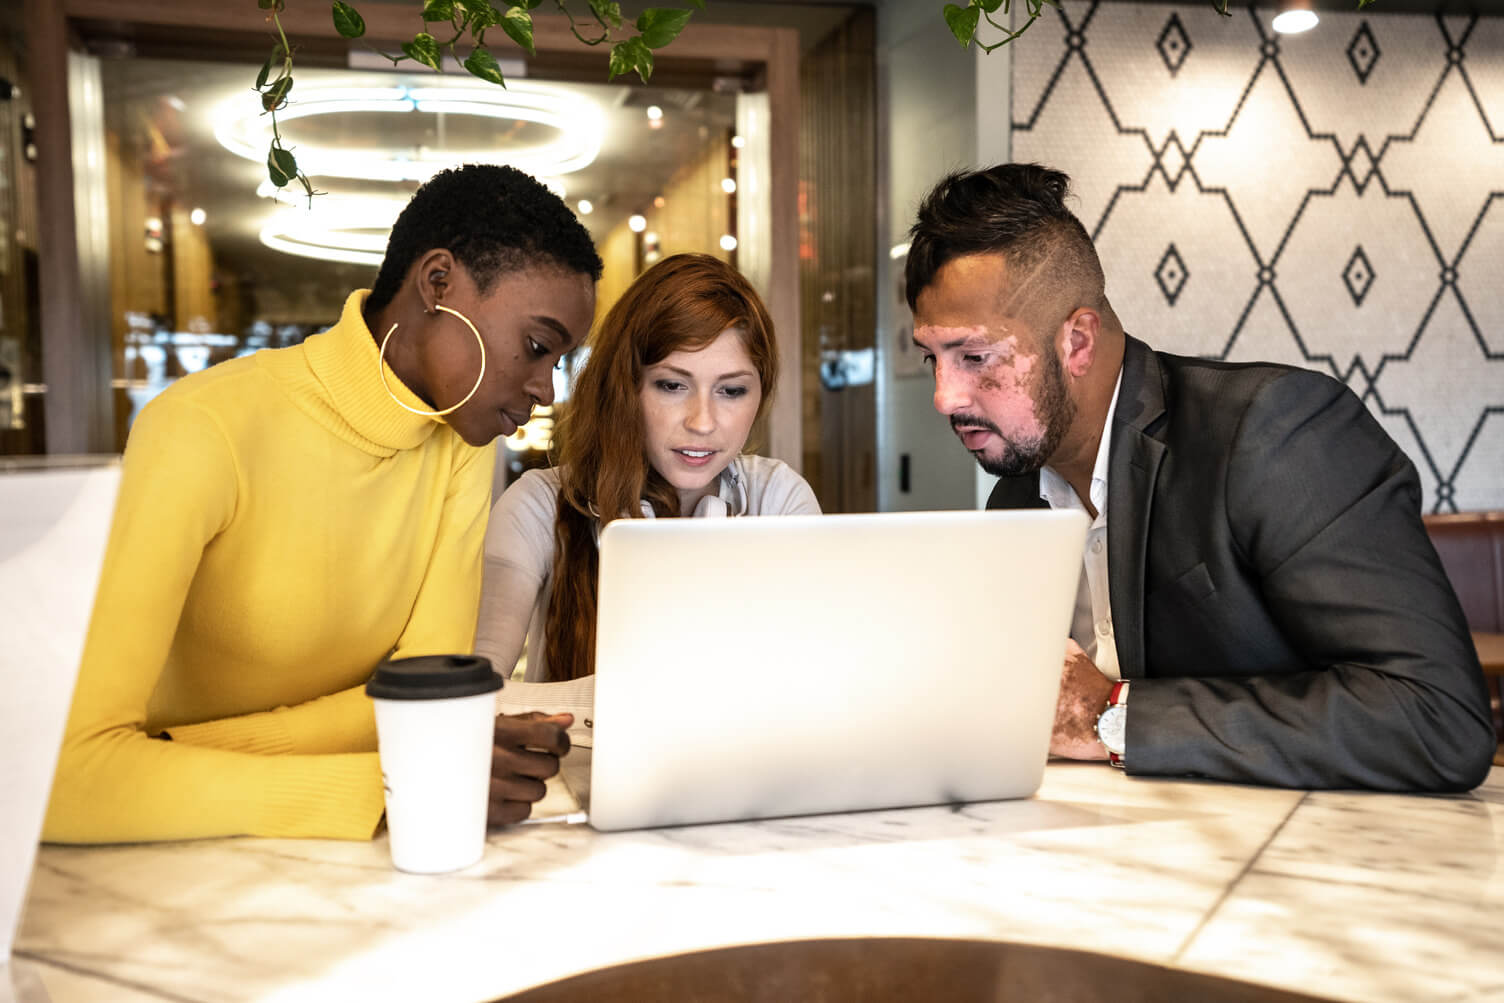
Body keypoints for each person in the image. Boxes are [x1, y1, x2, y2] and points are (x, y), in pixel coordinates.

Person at [45, 165, 600, 843]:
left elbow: (425, 701)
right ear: (437, 283)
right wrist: (393, 782)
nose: (545, 387)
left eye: (558, 361)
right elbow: (66, 774)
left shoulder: (461, 442)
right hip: (150, 857)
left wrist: (179, 748)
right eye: (537, 347)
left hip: (310, 851)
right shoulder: (201, 429)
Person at [905, 163, 1493, 792]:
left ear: (1077, 341)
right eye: (932, 358)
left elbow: (1437, 718)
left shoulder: (1274, 433)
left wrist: (1112, 716)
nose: (945, 397)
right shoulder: (1016, 502)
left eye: (974, 357)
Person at [476, 253, 820, 689]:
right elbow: (478, 688)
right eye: (672, 385)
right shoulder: (538, 505)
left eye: (731, 391)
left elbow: (807, 685)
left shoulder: (779, 499)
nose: (702, 422)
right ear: (626, 388)